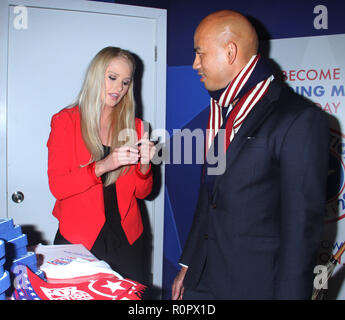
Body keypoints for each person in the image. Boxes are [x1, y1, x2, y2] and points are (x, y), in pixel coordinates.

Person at [172, 10, 330, 300]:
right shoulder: (221, 110)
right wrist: (189, 264)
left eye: (199, 53)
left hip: (254, 288)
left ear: (230, 52)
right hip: (203, 280)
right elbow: (211, 196)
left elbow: (301, 232)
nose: (195, 64)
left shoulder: (299, 119)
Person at [47, 47, 156, 286]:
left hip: (128, 238)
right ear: (96, 75)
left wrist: (146, 165)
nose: (119, 88)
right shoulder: (65, 121)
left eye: (126, 82)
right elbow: (58, 187)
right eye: (112, 78)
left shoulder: (137, 127)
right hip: (79, 239)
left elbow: (143, 192)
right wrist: (104, 165)